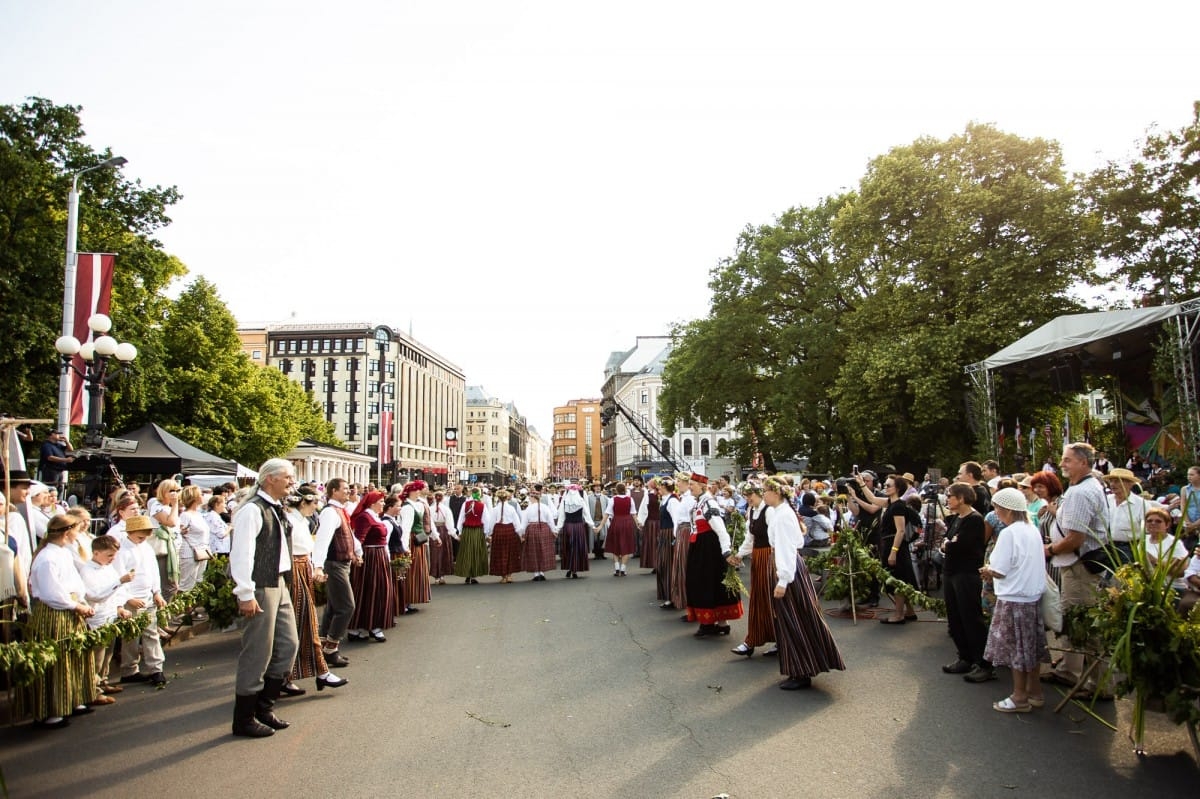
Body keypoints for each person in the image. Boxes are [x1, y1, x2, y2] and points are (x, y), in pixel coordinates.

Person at [229, 458, 301, 738]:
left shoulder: (274, 508)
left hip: (278, 581)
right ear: (269, 479)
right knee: (258, 652)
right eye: (287, 476)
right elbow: (242, 554)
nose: (292, 481)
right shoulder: (252, 510)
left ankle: (264, 707)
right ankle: (244, 717)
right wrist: (245, 592)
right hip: (261, 585)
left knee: (288, 645)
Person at [760, 476, 845, 689]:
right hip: (790, 568)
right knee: (796, 617)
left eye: (765, 491)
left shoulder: (782, 516)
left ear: (776, 492)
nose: (763, 495)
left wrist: (783, 580)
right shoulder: (782, 512)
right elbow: (796, 541)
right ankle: (801, 667)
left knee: (794, 618)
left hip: (789, 571)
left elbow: (787, 548)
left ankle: (802, 670)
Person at [1041, 442, 1109, 695]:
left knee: (1086, 625)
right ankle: (1071, 671)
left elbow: (1075, 538)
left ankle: (1100, 685)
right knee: (1075, 619)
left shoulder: (1082, 492)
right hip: (1074, 563)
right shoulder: (1082, 487)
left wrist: (1050, 550)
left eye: (1067, 460)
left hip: (1079, 565)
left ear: (1083, 462)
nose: (1062, 464)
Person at [17, 513, 97, 727]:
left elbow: (73, 582)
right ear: (65, 532)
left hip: (70, 610)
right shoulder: (47, 557)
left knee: (73, 656)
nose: (78, 534)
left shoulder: (61, 553)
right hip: (55, 613)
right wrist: (76, 605)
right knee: (57, 660)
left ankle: (73, 700)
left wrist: (81, 600)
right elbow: (53, 593)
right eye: (76, 529)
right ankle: (53, 711)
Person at [980, 487, 1049, 712]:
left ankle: (1019, 696)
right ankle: (1035, 692)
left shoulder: (1009, 533)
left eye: (997, 508)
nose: (995, 513)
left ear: (1006, 509)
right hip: (1031, 595)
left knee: (1016, 648)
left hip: (1014, 596)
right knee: (1029, 646)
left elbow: (1000, 569)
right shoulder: (1031, 529)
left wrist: (987, 570)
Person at [282, 487, 347, 695]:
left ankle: (299, 674)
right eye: (313, 503)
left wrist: (314, 568)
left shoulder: (301, 520)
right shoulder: (290, 521)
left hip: (302, 569)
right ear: (303, 503)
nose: (316, 507)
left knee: (305, 623)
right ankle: (308, 673)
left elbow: (307, 549)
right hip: (293, 573)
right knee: (302, 623)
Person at [938, 482, 992, 680]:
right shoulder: (956, 519)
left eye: (950, 495)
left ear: (961, 498)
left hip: (966, 574)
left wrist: (949, 545)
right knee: (955, 618)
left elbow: (959, 546)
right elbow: (947, 540)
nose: (947, 499)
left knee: (971, 618)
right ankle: (965, 657)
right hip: (951, 572)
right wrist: (949, 544)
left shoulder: (975, 519)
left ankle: (983, 663)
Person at [683, 473, 742, 637]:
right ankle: (714, 623)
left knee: (708, 583)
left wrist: (726, 551)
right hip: (700, 547)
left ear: (702, 486)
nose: (689, 487)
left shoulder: (708, 503)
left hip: (709, 549)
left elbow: (721, 529)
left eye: (692, 484)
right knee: (706, 583)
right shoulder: (700, 502)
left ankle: (714, 624)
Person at [78, 534, 134, 705]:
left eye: (114, 555)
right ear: (96, 553)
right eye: (109, 555)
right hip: (96, 619)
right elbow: (96, 595)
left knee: (108, 653)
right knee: (97, 657)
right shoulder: (87, 570)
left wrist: (120, 608)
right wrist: (119, 580)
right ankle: (93, 690)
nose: (112, 559)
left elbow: (115, 592)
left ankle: (103, 681)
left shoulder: (108, 567)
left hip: (110, 616)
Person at [114, 515, 168, 687]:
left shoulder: (146, 548)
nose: (143, 539)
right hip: (132, 598)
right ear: (130, 532)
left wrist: (157, 592)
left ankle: (156, 669)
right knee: (131, 636)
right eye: (140, 536)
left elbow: (154, 571)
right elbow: (118, 577)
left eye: (145, 536)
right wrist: (128, 598)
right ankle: (129, 669)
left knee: (151, 632)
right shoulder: (121, 551)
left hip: (147, 596)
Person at [312, 478, 358, 667]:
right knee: (347, 606)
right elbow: (323, 540)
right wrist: (318, 565)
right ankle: (331, 647)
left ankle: (323, 645)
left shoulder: (339, 510)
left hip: (341, 562)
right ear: (333, 491)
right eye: (345, 489)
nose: (349, 491)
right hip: (334, 563)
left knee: (333, 606)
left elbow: (349, 535)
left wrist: (356, 552)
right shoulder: (330, 512)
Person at [729, 481, 775, 657]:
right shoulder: (752, 511)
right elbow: (749, 538)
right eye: (746, 496)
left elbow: (776, 537)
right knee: (758, 599)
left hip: (769, 557)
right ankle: (752, 640)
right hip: (758, 556)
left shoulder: (769, 511)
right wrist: (739, 555)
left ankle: (778, 639)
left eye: (750, 495)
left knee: (770, 599)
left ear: (760, 494)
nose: (748, 499)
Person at [346, 490, 394, 641]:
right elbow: (358, 539)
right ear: (373, 503)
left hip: (378, 556)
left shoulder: (374, 516)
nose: (383, 504)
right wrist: (359, 556)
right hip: (370, 557)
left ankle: (364, 626)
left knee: (376, 590)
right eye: (380, 502)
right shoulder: (365, 517)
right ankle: (368, 627)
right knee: (371, 590)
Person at [878, 475, 923, 626]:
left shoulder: (897, 506)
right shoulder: (891, 503)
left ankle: (898, 615)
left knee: (897, 580)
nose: (885, 487)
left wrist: (893, 551)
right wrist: (858, 488)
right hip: (892, 544)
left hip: (895, 545)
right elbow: (872, 500)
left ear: (897, 488)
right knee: (901, 579)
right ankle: (909, 611)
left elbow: (901, 531)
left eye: (888, 485)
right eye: (884, 484)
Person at [398, 481, 436, 610]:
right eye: (418, 489)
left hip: (418, 540)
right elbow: (405, 528)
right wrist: (405, 547)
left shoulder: (417, 505)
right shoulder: (408, 507)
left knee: (416, 571)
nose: (420, 492)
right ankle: (404, 602)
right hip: (411, 540)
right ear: (412, 491)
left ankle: (408, 600)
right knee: (410, 571)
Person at [147, 479, 183, 602]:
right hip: (162, 551)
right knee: (168, 585)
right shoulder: (155, 503)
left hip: (174, 549)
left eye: (177, 490)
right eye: (171, 491)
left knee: (174, 584)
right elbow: (170, 522)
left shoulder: (169, 507)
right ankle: (166, 616)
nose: (175, 494)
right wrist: (175, 504)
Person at [486, 488, 525, 584]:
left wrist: (489, 534)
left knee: (500, 553)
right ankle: (509, 575)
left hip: (499, 531)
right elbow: (516, 523)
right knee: (510, 553)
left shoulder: (495, 509)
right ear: (507, 498)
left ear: (498, 498)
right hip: (510, 531)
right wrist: (520, 534)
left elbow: (491, 523)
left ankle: (503, 576)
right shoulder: (511, 508)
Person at [555, 484, 595, 579]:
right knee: (577, 548)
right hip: (578, 527)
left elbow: (561, 517)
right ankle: (574, 569)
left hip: (568, 526)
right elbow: (587, 515)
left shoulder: (565, 502)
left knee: (569, 548)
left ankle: (570, 568)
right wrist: (592, 526)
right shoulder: (581, 501)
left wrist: (557, 529)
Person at [177, 485, 211, 593]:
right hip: (189, 553)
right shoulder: (185, 515)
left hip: (202, 551)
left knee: (198, 582)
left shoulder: (198, 514)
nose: (203, 496)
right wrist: (181, 531)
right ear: (194, 497)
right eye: (201, 494)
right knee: (186, 584)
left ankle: (191, 607)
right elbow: (179, 531)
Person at [521, 483, 558, 581]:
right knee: (542, 550)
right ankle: (542, 572)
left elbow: (524, 522)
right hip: (544, 529)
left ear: (533, 498)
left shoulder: (528, 508)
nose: (529, 499)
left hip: (532, 529)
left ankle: (536, 574)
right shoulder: (545, 507)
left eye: (530, 497)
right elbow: (550, 520)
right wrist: (554, 531)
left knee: (534, 551)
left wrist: (522, 534)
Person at [454, 488, 489, 584]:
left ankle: (467, 575)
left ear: (471, 494)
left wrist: (460, 532)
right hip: (477, 531)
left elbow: (461, 518)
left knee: (466, 552)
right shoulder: (482, 506)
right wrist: (486, 533)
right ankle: (473, 575)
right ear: (480, 494)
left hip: (467, 531)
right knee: (476, 552)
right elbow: (486, 520)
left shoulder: (465, 504)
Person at [601, 481, 637, 576]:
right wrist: (638, 524)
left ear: (616, 490)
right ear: (625, 490)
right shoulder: (630, 499)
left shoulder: (613, 499)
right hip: (627, 523)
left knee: (615, 545)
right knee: (626, 545)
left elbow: (607, 513)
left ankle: (616, 567)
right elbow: (633, 514)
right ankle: (623, 569)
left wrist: (600, 526)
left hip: (616, 522)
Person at [428, 489, 456, 585]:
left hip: (433, 531)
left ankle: (436, 576)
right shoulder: (446, 509)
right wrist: (454, 535)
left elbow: (428, 522)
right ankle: (442, 576)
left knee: (434, 553)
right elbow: (450, 524)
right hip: (444, 531)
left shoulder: (430, 509)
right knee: (443, 553)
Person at [638, 478, 659, 573]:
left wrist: (641, 522)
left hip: (651, 522)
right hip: (659, 522)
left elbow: (643, 510)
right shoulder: (661, 495)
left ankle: (655, 564)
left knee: (652, 543)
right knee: (658, 544)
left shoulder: (648, 496)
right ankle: (658, 564)